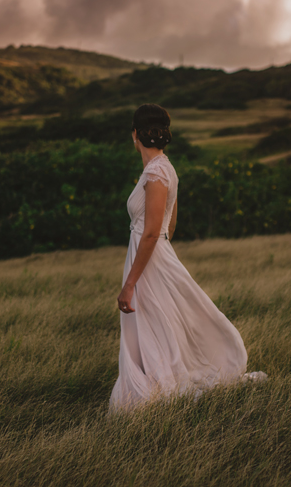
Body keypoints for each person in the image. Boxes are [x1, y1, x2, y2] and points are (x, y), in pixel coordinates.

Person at [109, 104, 267, 413]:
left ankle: (159, 385)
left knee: (154, 321)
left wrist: (130, 283)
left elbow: (153, 232)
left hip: (148, 260)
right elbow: (170, 227)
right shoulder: (166, 168)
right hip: (155, 257)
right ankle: (158, 375)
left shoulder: (155, 172)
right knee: (158, 323)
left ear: (135, 136)